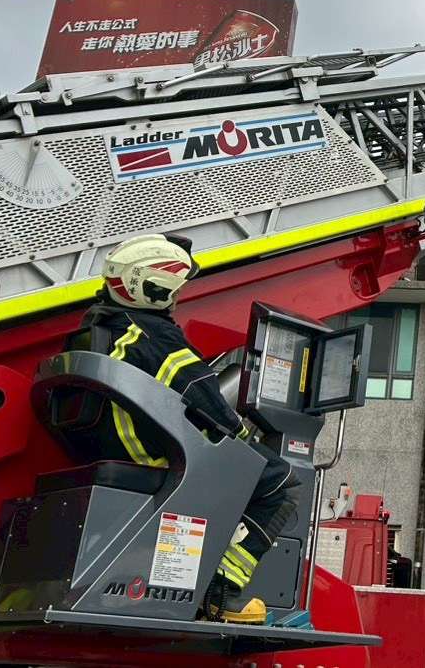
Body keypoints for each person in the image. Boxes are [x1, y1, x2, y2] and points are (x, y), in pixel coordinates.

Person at [69, 233, 300, 625]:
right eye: (175, 289)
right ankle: (222, 590)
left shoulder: (95, 326)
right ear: (155, 289)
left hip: (118, 451)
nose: (177, 297)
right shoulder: (154, 335)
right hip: (156, 458)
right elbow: (205, 400)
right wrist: (243, 444)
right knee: (276, 480)